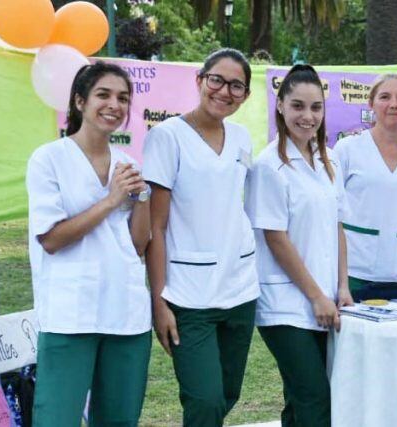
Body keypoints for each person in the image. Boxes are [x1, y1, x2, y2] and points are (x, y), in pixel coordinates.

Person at [26, 61, 151, 426]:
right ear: (80, 102)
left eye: (123, 98)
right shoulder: (49, 159)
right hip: (71, 313)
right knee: (57, 418)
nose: (115, 105)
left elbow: (138, 244)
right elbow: (51, 238)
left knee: (119, 420)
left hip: (126, 313)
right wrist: (112, 200)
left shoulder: (127, 164)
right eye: (104, 95)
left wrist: (141, 197)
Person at [142, 48, 259, 426]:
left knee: (228, 393)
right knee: (205, 399)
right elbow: (154, 228)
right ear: (200, 80)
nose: (225, 91)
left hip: (240, 288)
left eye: (236, 86)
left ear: (245, 95)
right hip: (188, 295)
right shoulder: (167, 137)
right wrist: (159, 301)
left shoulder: (242, 138)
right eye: (217, 80)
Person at [245, 64, 352, 427]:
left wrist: (341, 287)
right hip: (285, 305)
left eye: (316, 107)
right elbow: (276, 239)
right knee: (314, 397)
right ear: (280, 106)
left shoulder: (330, 160)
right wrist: (317, 296)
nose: (308, 117)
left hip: (326, 298)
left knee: (299, 399)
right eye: (298, 106)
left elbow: (336, 226)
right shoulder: (268, 166)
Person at [334, 73, 397, 302]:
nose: (394, 104)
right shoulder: (347, 149)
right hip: (357, 269)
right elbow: (333, 213)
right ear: (371, 104)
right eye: (384, 97)